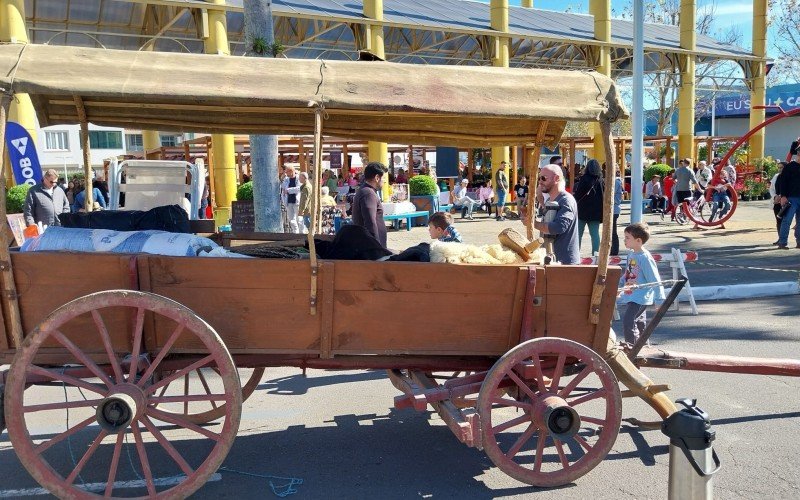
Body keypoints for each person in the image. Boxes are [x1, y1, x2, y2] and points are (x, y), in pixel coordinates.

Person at [617, 222, 665, 346]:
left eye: (627, 238)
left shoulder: (645, 258)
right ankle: (643, 345)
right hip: (631, 294)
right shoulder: (632, 254)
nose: (624, 240)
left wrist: (659, 300)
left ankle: (631, 348)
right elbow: (629, 273)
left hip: (640, 296)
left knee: (629, 321)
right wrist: (619, 286)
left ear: (638, 240)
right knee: (639, 322)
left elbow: (655, 280)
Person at [533, 164, 580, 264]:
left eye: (543, 178)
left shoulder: (566, 200)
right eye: (539, 178)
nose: (540, 182)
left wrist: (534, 224)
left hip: (565, 263)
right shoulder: (550, 200)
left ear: (556, 178)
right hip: (554, 261)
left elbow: (559, 227)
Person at [352, 162, 388, 247]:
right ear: (377, 178)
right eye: (384, 178)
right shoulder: (368, 193)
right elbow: (370, 222)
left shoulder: (366, 191)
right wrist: (376, 247)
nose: (385, 181)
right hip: (372, 249)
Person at [573, 159, 604, 255]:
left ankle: (576, 253)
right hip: (596, 212)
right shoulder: (601, 180)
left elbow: (578, 194)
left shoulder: (584, 178)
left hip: (582, 210)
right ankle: (596, 254)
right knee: (595, 234)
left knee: (578, 234)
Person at [775, 140, 800, 249]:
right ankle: (782, 242)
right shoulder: (789, 167)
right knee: (787, 220)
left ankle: (799, 242)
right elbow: (783, 182)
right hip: (791, 198)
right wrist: (783, 196)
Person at [281, 166, 301, 233]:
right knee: (291, 219)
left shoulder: (298, 178)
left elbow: (299, 189)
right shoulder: (286, 179)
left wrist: (288, 190)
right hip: (288, 201)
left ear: (291, 171)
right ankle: (295, 232)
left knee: (299, 218)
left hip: (297, 201)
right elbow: (283, 188)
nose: (286, 173)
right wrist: (282, 179)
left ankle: (302, 233)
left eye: (287, 172)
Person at [769, 163, 784, 244]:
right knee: (778, 220)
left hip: (785, 202)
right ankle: (780, 238)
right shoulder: (776, 176)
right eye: (779, 167)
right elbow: (771, 188)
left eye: (782, 167)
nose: (780, 169)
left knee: (785, 221)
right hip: (776, 202)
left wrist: (780, 196)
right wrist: (775, 196)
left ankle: (784, 239)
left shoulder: (789, 177)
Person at [612, 169, 625, 256]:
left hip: (614, 208)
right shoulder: (617, 181)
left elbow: (612, 195)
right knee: (612, 230)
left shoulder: (616, 182)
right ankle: (613, 250)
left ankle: (614, 250)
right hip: (614, 208)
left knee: (613, 231)